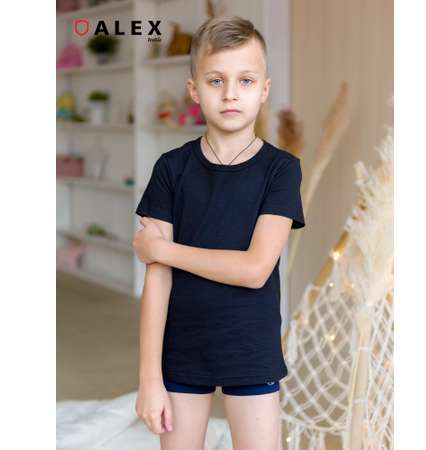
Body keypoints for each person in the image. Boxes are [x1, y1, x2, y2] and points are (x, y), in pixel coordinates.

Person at [133, 16, 305, 450]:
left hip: (250, 350)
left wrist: (163, 249)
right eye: (216, 81)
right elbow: (157, 279)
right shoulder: (171, 169)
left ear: (264, 90)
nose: (230, 93)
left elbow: (254, 269)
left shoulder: (281, 170)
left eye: (245, 80)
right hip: (181, 351)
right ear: (194, 90)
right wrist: (149, 378)